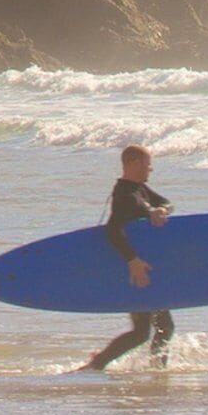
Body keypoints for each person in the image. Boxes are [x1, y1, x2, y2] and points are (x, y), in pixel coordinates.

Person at [81, 145, 175, 371]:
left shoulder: (139, 188)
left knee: (154, 328)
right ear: (131, 163)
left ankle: (104, 363)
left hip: (141, 269)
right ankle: (102, 364)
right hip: (134, 271)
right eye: (146, 164)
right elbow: (112, 230)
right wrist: (132, 261)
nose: (150, 169)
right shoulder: (124, 194)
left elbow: (168, 203)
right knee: (149, 330)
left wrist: (161, 210)